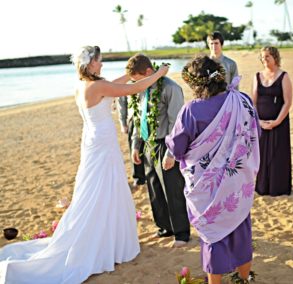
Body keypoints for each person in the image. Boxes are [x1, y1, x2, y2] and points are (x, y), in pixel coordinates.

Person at [0, 46, 168, 283]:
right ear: (90, 64)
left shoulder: (83, 85)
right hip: (101, 141)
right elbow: (131, 89)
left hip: (92, 139)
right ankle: (104, 241)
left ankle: (106, 237)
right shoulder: (98, 86)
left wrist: (133, 73)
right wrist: (159, 73)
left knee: (97, 187)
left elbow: (116, 84)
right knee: (104, 187)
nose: (101, 64)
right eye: (99, 61)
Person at [166, 55, 260, 284]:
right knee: (240, 227)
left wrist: (170, 156)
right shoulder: (242, 100)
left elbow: (178, 145)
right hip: (237, 180)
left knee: (212, 233)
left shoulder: (192, 110)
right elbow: (255, 132)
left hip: (207, 186)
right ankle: (244, 279)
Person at [125, 54, 190, 247]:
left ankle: (181, 233)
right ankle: (164, 227)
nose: (136, 84)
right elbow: (138, 119)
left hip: (165, 143)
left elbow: (176, 125)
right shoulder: (141, 89)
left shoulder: (170, 88)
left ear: (147, 72)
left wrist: (171, 153)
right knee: (154, 188)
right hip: (148, 144)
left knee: (173, 189)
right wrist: (136, 145)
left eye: (137, 79)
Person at [251, 46, 293, 196]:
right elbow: (253, 102)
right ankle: (262, 187)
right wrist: (258, 121)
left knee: (277, 155)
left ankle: (278, 188)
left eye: (267, 56)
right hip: (261, 123)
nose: (264, 60)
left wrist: (276, 122)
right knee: (261, 156)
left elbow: (288, 102)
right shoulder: (257, 76)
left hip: (279, 123)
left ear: (275, 57)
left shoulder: (284, 76)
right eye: (262, 57)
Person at [118, 88, 146, 187]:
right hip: (133, 119)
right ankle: (138, 178)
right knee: (134, 148)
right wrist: (123, 123)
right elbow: (122, 103)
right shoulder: (126, 84)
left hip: (147, 117)